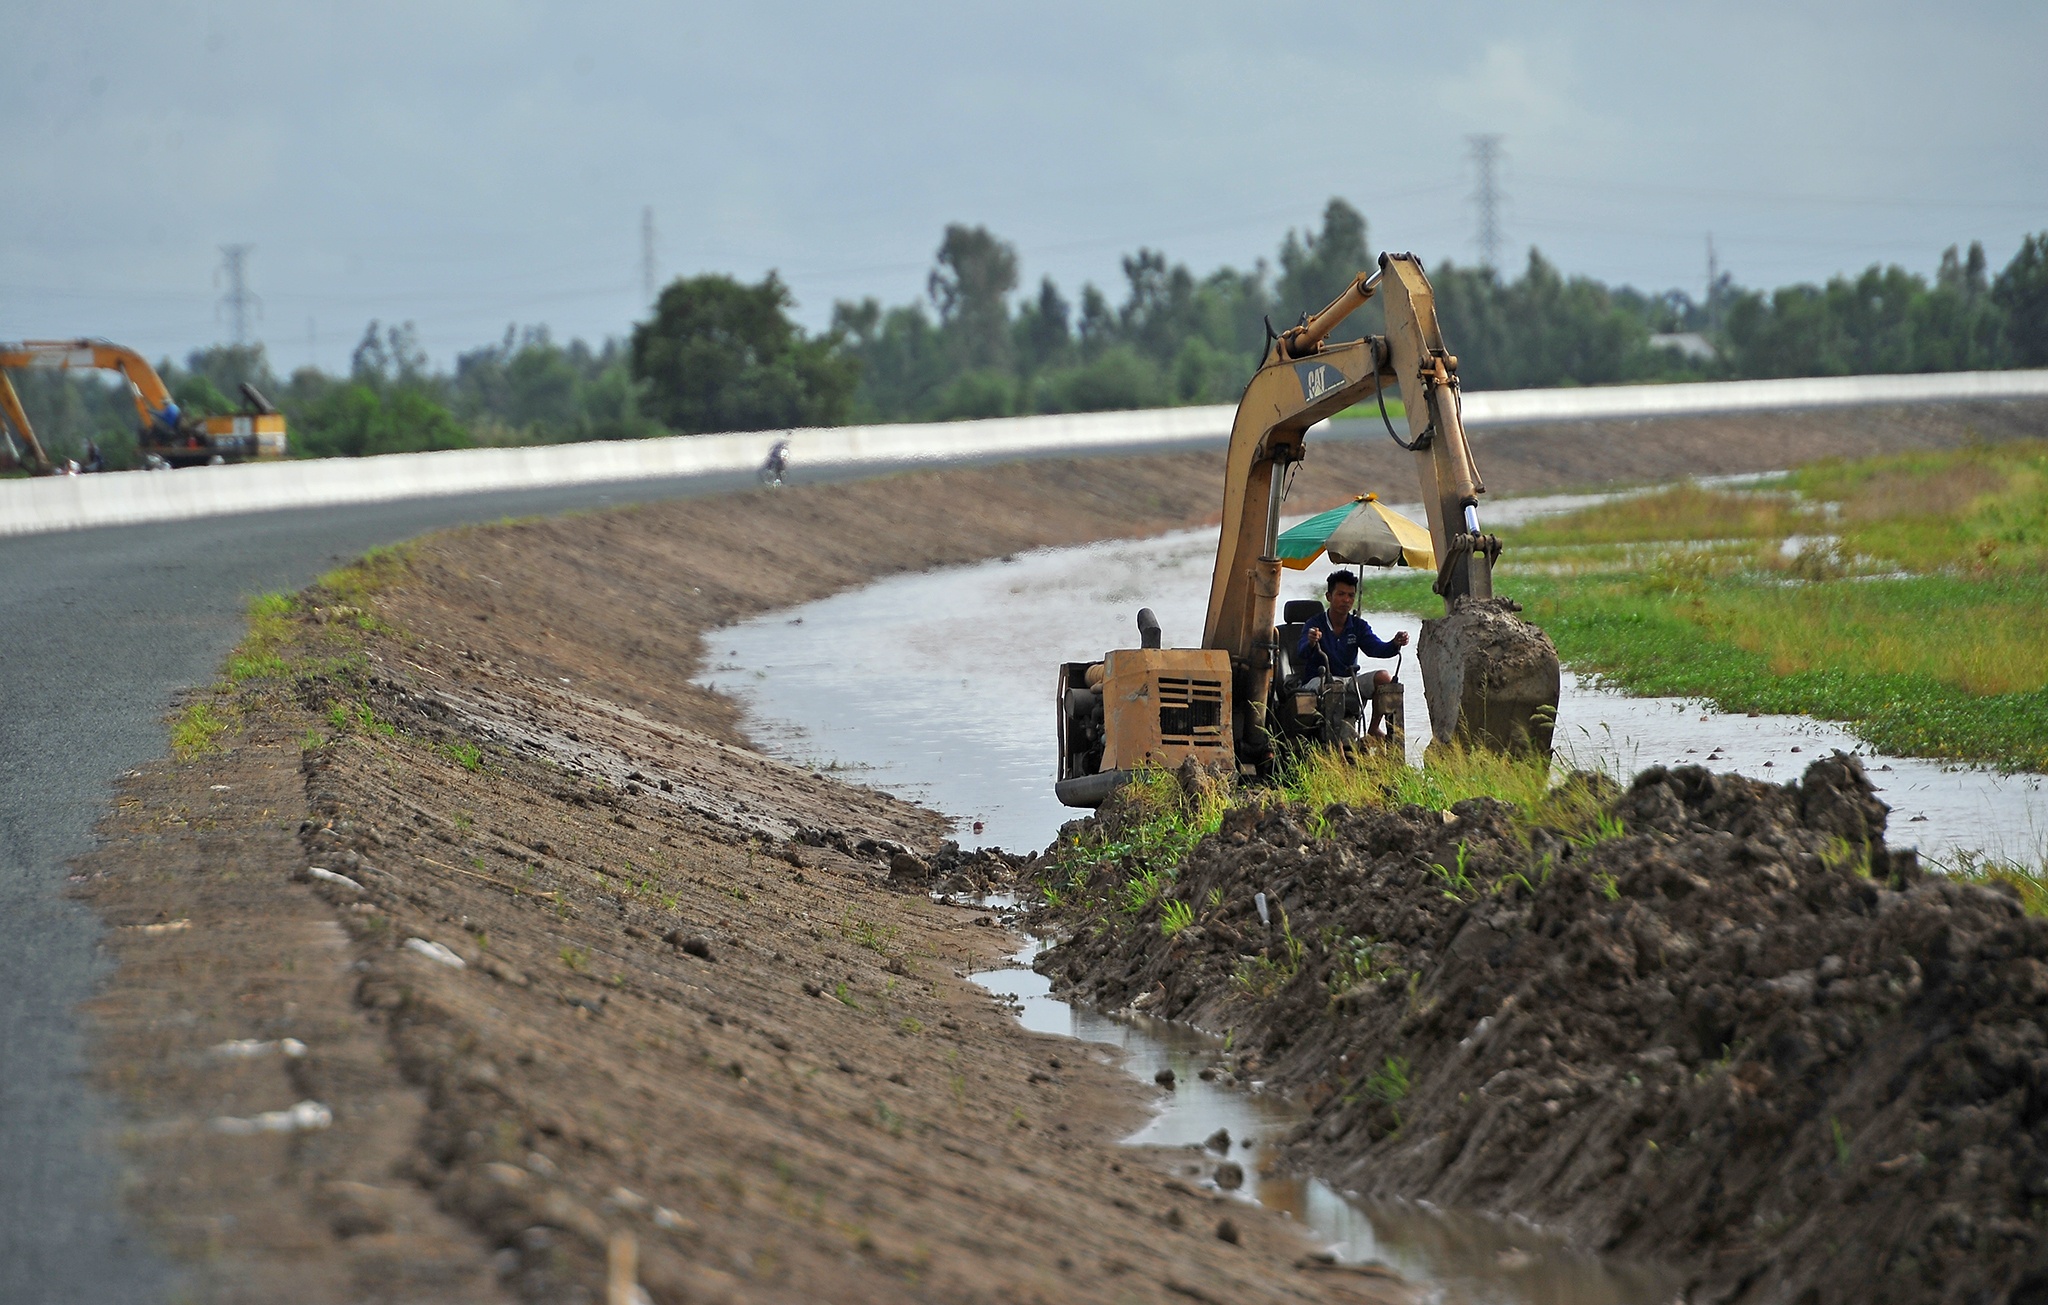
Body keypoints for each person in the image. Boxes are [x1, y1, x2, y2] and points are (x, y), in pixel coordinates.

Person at [1297, 569, 1408, 743]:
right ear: (1329, 596)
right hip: (1319, 681)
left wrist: (1394, 643)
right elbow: (1302, 652)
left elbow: (1376, 649)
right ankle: (1337, 745)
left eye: (1350, 595)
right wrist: (1311, 642)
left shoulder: (1357, 626)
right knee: (1335, 686)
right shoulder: (1315, 624)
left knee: (1384, 678)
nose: (1346, 600)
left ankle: (1373, 729)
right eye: (1341, 594)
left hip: (1348, 680)